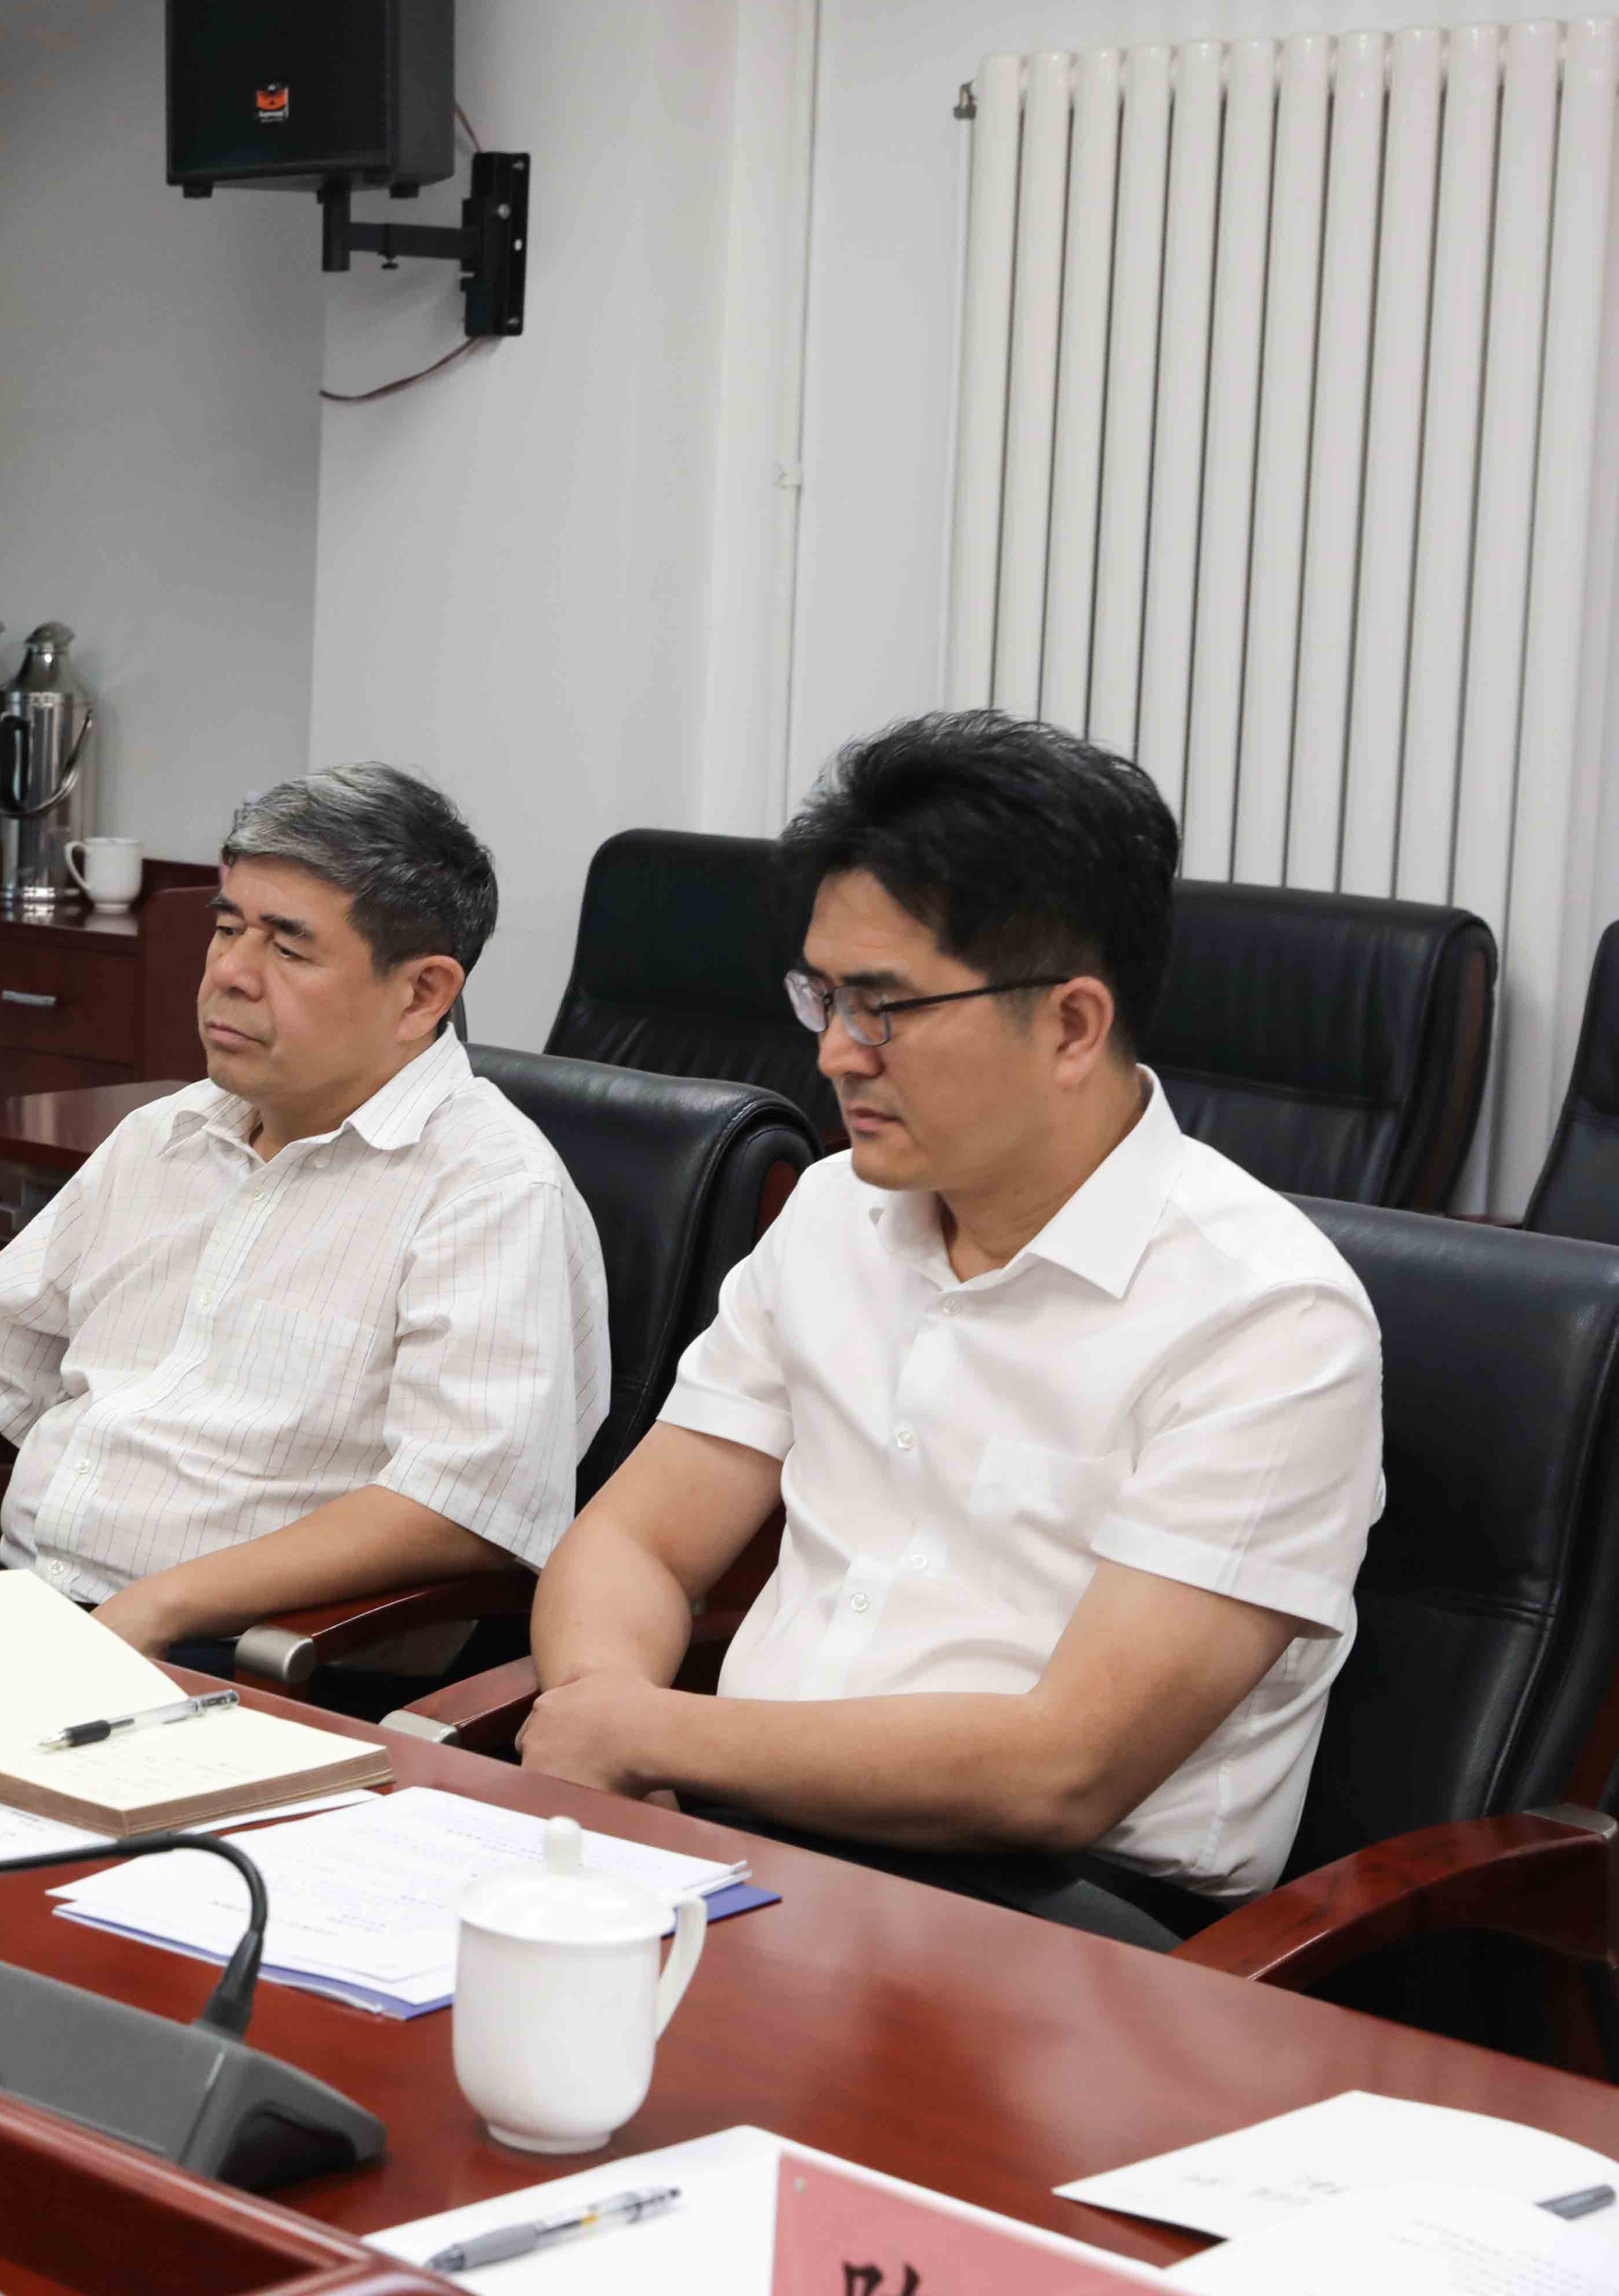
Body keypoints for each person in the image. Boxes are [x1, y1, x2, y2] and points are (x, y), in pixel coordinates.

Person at [516, 712, 1382, 1944]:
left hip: (1061, 1918)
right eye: (823, 995)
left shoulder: (1267, 1316)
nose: (835, 1053)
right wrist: (609, 1724)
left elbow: (1061, 1768)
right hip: (746, 1833)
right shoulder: (833, 1213)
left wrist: (654, 1735)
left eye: (884, 1006)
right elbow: (640, 1542)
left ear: (1073, 1025)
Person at [0, 766, 606, 1676]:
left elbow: (457, 1505)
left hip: (247, 1665)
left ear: (422, 994)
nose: (230, 974)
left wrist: (165, 1605)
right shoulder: (167, 1133)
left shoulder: (490, 1190)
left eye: (288, 950)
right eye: (228, 928)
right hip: (25, 1609)